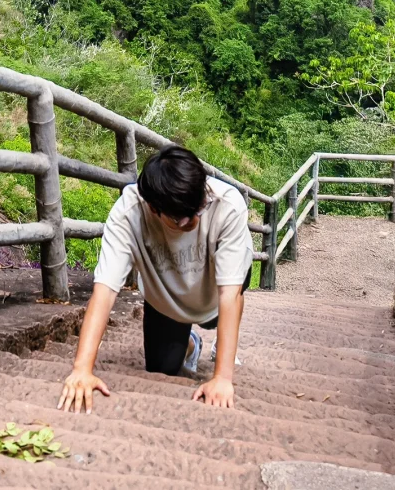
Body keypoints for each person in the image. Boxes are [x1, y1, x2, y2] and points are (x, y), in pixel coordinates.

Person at [58, 145, 252, 412]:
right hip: (167, 298)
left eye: (199, 210)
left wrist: (222, 378)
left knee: (233, 292)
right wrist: (81, 369)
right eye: (182, 220)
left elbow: (230, 294)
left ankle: (221, 346)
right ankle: (190, 343)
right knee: (162, 367)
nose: (194, 222)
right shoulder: (129, 213)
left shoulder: (226, 204)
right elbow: (104, 292)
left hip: (215, 292)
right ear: (153, 208)